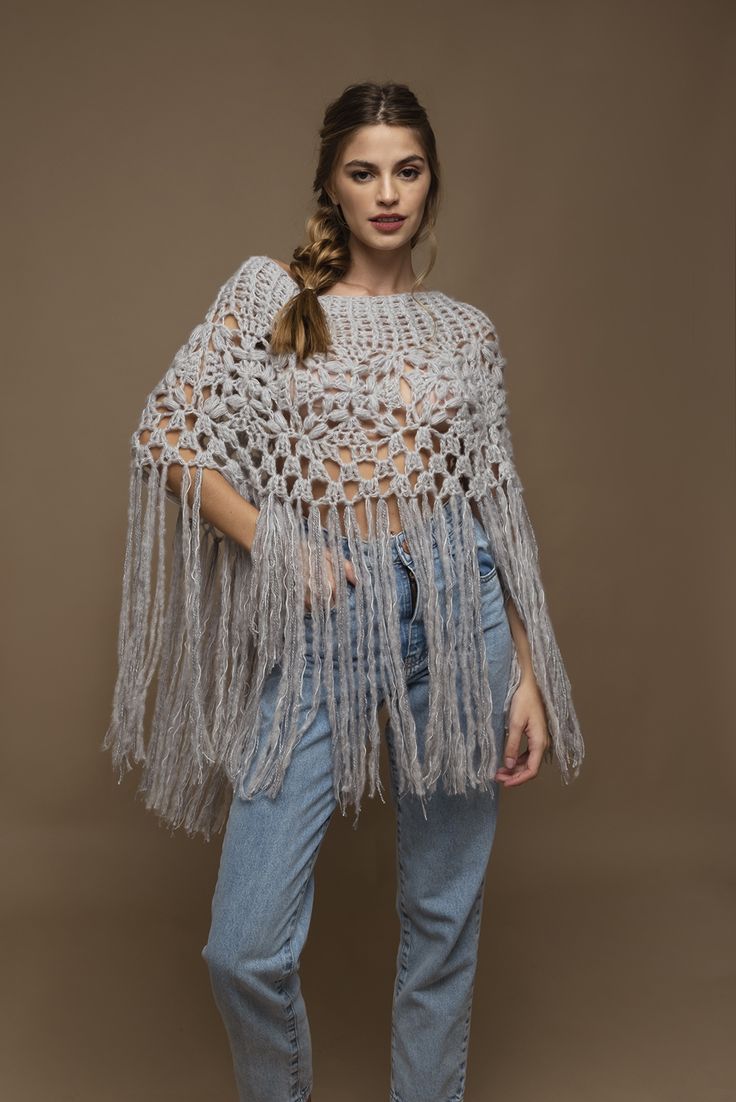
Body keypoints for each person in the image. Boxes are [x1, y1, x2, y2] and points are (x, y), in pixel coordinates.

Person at [103, 80, 584, 1102]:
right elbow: (169, 441)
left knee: (442, 921)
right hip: (324, 617)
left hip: (458, 612)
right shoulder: (273, 299)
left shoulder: (467, 332)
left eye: (406, 169)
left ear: (430, 180)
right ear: (328, 180)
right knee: (244, 948)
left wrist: (528, 673)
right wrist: (278, 539)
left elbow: (498, 510)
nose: (387, 193)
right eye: (363, 171)